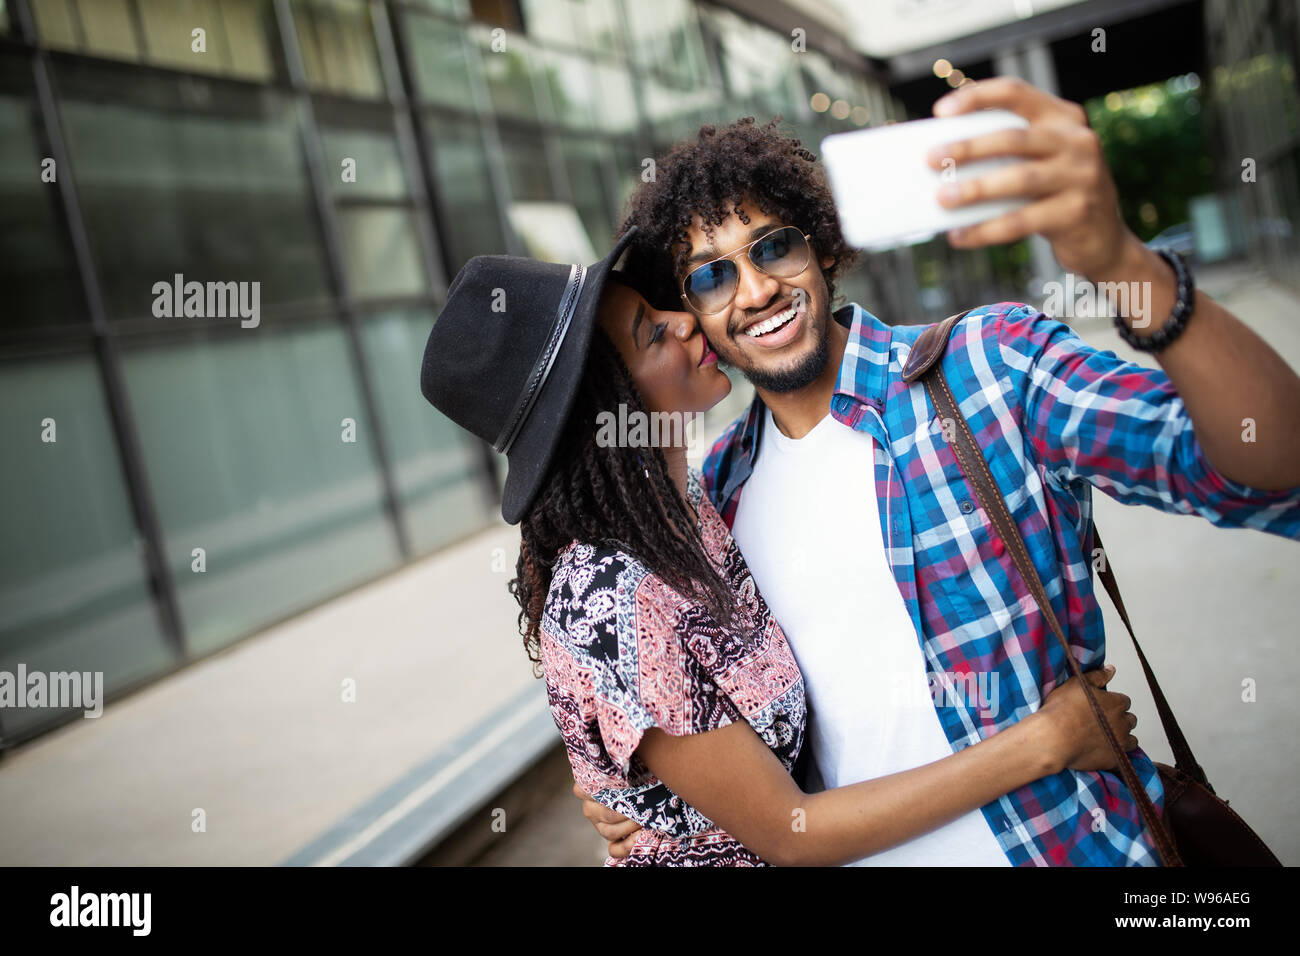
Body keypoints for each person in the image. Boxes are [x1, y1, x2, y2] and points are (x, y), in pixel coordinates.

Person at [575, 76, 1300, 866]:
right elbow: (735, 753)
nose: (755, 291)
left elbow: (1270, 470)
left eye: (772, 245)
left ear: (819, 243)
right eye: (711, 275)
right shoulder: (718, 492)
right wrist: (642, 802)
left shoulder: (990, 367)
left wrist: (1124, 261)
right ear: (693, 311)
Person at [419, 229, 1142, 866]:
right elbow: (791, 835)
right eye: (649, 332)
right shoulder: (612, 601)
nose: (682, 318)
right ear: (606, 412)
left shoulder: (702, 506)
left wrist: (627, 789)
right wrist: (1049, 742)